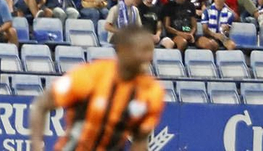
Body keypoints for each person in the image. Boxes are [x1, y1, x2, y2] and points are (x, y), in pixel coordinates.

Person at [28, 24, 165, 151]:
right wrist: (36, 146)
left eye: (151, 50)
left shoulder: (152, 91)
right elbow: (41, 104)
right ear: (123, 50)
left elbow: (140, 140)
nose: (149, 57)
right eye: (143, 50)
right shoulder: (89, 76)